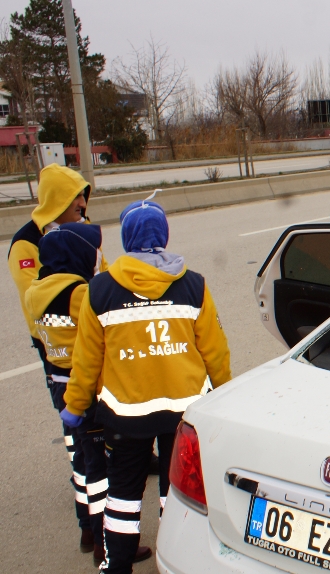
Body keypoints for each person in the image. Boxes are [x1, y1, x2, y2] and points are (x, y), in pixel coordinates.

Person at [62, 199, 232, 574]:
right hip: (183, 413)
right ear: (164, 235)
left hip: (125, 416)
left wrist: (75, 406)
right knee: (177, 493)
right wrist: (224, 397)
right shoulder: (193, 285)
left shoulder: (100, 289)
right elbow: (215, 352)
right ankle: (176, 559)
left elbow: (86, 359)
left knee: (122, 494)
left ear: (126, 239)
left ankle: (116, 565)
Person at [24, 224, 152, 566]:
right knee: (102, 468)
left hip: (58, 383)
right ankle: (104, 543)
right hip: (88, 389)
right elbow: (104, 336)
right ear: (75, 255)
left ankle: (86, 527)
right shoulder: (80, 293)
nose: (95, 256)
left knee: (81, 459)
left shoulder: (33, 293)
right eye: (90, 251)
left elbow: (37, 338)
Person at [6, 164, 97, 551]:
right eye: (76, 195)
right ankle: (91, 520)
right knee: (78, 427)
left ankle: (105, 472)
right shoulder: (25, 244)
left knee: (100, 421)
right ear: (59, 199)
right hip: (61, 352)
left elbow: (101, 272)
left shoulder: (82, 227)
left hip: (93, 340)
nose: (82, 202)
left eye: (83, 195)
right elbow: (40, 306)